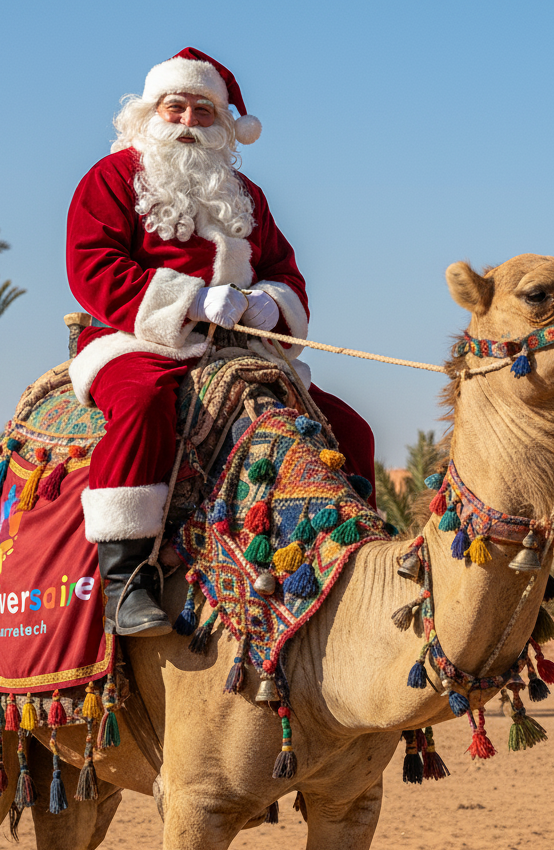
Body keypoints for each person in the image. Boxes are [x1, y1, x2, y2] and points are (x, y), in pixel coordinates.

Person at [67, 47, 374, 637]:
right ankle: (127, 581)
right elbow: (91, 265)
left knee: (349, 430)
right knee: (142, 406)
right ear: (150, 113)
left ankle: (358, 573)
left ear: (224, 125)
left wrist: (267, 302)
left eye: (202, 112)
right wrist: (188, 300)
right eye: (175, 107)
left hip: (239, 351)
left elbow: (286, 272)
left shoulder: (247, 196)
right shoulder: (109, 180)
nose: (186, 122)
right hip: (136, 340)